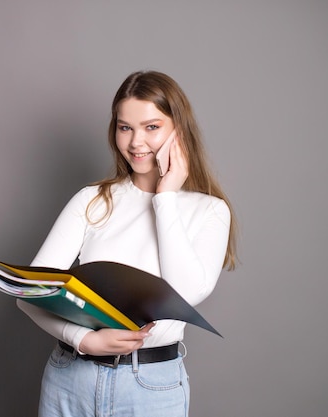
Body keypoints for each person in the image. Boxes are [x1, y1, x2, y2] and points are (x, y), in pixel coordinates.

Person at [17, 70, 238, 417]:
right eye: (125, 127)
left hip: (149, 387)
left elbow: (186, 293)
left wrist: (164, 198)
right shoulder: (92, 201)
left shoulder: (209, 211)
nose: (136, 142)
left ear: (178, 130)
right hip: (69, 379)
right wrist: (84, 340)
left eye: (152, 127)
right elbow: (30, 295)